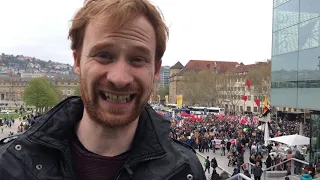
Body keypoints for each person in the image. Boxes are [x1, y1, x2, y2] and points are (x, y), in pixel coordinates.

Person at [0, 0, 206, 179]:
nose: (119, 79)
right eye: (104, 55)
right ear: (77, 60)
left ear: (155, 70)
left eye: (137, 59)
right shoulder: (10, 164)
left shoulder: (186, 171)